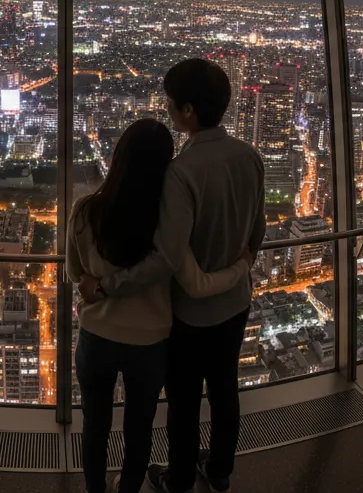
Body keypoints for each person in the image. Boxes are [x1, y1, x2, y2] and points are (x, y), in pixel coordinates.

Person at [79, 59, 264, 493]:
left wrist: (105, 286)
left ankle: (179, 480)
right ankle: (219, 472)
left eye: (170, 102)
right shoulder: (250, 156)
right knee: (225, 391)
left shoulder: (182, 173)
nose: (166, 108)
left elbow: (165, 257)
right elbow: (257, 231)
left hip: (189, 314)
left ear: (188, 110)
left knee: (184, 403)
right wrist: (240, 266)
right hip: (235, 303)